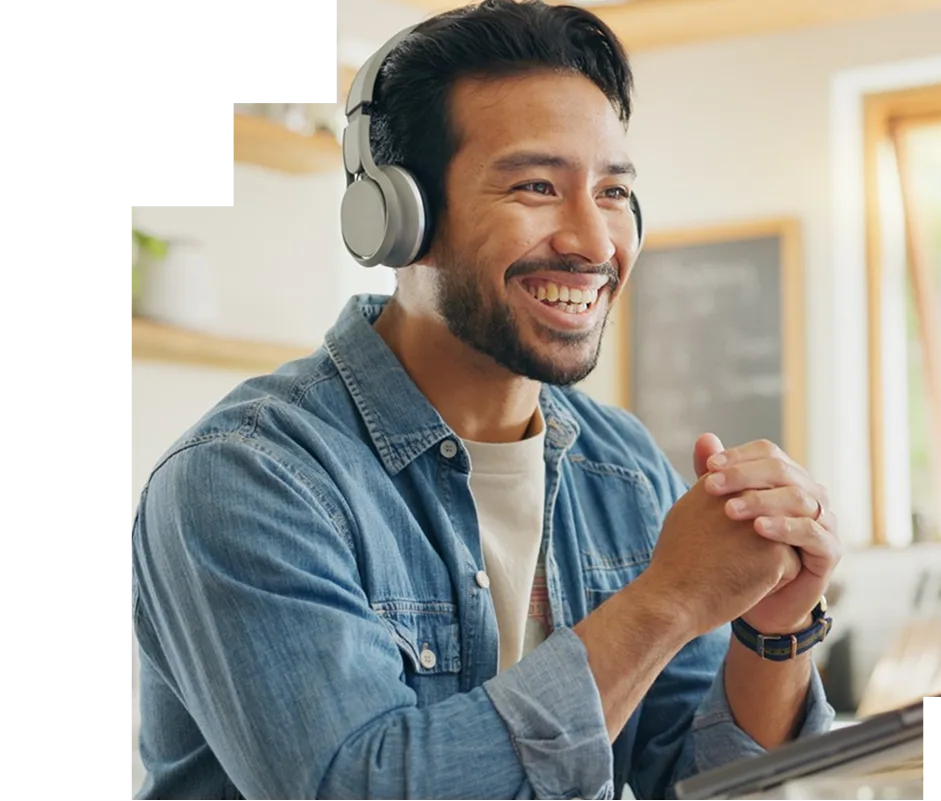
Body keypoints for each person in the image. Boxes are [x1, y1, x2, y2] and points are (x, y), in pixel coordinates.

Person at [129, 1, 843, 798]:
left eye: (612, 191)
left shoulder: (625, 469)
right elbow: (357, 788)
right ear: (399, 217)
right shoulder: (247, 479)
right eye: (537, 186)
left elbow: (691, 777)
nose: (595, 242)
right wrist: (667, 600)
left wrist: (774, 631)